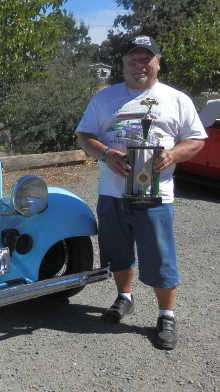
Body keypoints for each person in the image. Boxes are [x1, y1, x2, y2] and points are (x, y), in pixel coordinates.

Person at [75, 36, 207, 350]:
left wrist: (173, 155)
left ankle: (166, 315)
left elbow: (197, 140)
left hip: (155, 194)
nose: (140, 66)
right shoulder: (105, 98)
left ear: (158, 64)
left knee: (160, 258)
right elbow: (84, 135)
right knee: (117, 253)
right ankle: (124, 297)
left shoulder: (175, 99)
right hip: (112, 193)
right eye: (133, 60)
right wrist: (107, 154)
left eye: (146, 59)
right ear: (123, 65)